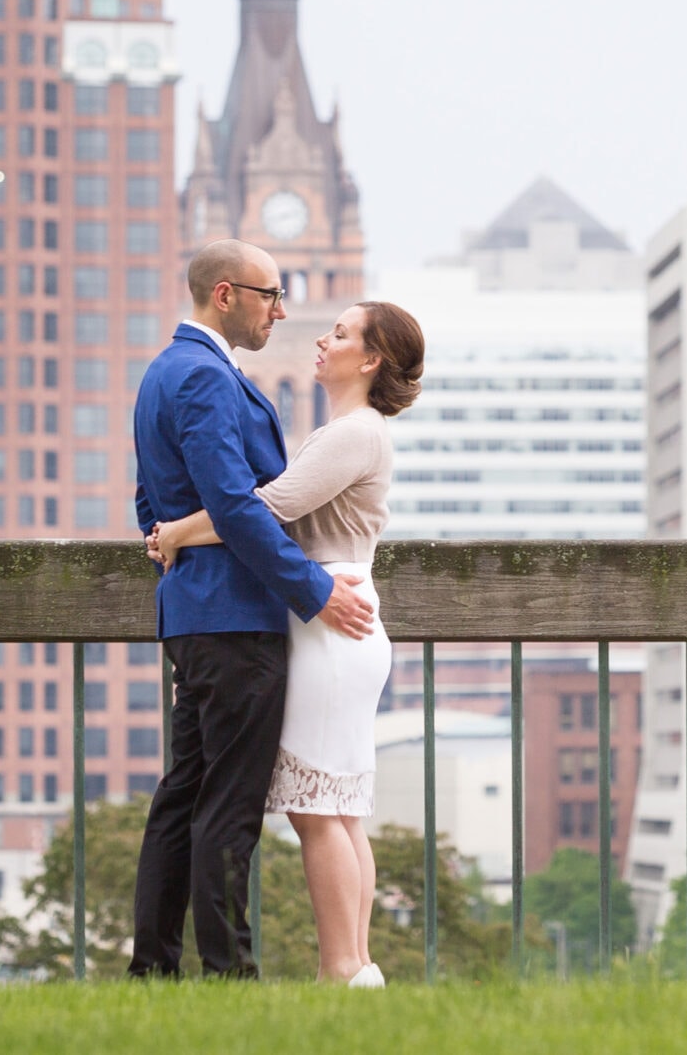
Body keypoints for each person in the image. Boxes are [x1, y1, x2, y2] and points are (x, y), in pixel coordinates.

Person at [151, 299, 421, 985]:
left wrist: (177, 531)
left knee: (316, 807)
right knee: (339, 805)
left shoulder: (351, 434)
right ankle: (357, 967)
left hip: (330, 616)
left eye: (340, 333)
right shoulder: (354, 431)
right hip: (342, 613)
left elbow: (263, 511)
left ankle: (341, 969)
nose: (322, 339)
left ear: (371, 360)